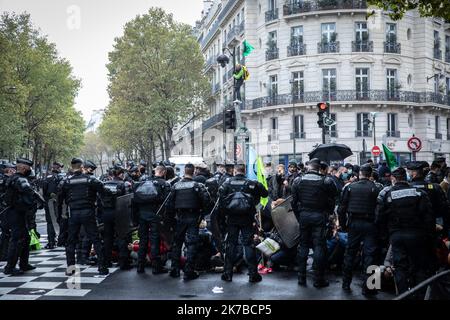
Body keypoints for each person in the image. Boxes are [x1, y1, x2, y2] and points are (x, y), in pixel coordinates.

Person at [376, 167, 435, 296]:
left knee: (400, 268)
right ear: (406, 177)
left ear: (393, 179)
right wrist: (429, 236)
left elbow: (380, 217)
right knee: (419, 267)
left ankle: (403, 295)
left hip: (397, 236)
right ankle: (419, 295)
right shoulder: (419, 193)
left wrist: (386, 236)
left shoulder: (388, 194)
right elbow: (429, 217)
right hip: (417, 235)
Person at [218, 163, 269, 283]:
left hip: (231, 219)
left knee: (231, 245)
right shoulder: (252, 183)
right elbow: (265, 194)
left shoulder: (227, 182)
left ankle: (228, 273)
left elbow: (220, 198)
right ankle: (253, 274)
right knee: (248, 245)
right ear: (244, 170)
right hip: (247, 218)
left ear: (235, 171)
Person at [291, 158, 337, 287]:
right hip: (319, 216)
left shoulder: (298, 180)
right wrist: (328, 213)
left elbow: (293, 202)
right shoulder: (326, 181)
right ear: (318, 167)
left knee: (303, 245)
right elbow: (334, 197)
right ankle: (318, 279)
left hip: (304, 215)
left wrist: (299, 216)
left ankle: (301, 278)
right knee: (319, 246)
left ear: (308, 167)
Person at [338, 164, 383, 295]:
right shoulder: (377, 188)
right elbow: (380, 210)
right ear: (370, 175)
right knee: (371, 256)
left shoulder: (350, 187)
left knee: (350, 253)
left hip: (354, 223)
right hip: (370, 225)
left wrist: (343, 225)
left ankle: (346, 284)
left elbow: (342, 208)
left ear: (359, 174)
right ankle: (370, 288)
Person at [58, 158, 109, 276]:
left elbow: (59, 201)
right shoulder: (91, 180)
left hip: (73, 214)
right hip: (88, 213)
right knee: (95, 239)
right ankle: (102, 268)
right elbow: (104, 192)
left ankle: (70, 269)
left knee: (71, 241)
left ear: (72, 167)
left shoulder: (66, 181)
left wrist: (60, 217)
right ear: (82, 167)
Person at [166, 163, 212, 280]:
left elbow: (169, 205)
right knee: (192, 244)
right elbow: (208, 202)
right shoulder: (198, 186)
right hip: (193, 217)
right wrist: (201, 214)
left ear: (184, 172)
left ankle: (174, 269)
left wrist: (171, 220)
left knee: (177, 243)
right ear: (194, 172)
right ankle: (189, 271)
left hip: (179, 217)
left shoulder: (176, 186)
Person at [3, 159, 42, 275]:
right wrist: (39, 200)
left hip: (19, 212)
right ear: (24, 168)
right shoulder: (20, 179)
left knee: (25, 238)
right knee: (17, 239)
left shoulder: (14, 178)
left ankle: (24, 264)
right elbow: (27, 190)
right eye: (29, 168)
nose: (30, 170)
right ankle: (9, 267)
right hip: (15, 213)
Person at [133, 165, 171, 274]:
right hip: (156, 215)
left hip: (142, 215)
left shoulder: (143, 182)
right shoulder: (164, 184)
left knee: (143, 240)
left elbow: (134, 200)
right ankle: (156, 267)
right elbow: (167, 203)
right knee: (155, 240)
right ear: (163, 172)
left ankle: (140, 266)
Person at [100, 164, 133, 270]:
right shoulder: (125, 184)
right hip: (120, 213)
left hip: (106, 213)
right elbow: (128, 200)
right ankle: (123, 262)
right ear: (121, 174)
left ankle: (107, 261)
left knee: (107, 238)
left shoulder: (104, 184)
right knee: (122, 237)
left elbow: (99, 199)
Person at [42, 161, 64, 249]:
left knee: (50, 223)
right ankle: (61, 241)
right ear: (58, 168)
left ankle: (51, 242)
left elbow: (44, 191)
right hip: (61, 203)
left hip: (50, 203)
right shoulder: (63, 178)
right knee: (61, 221)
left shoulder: (47, 178)